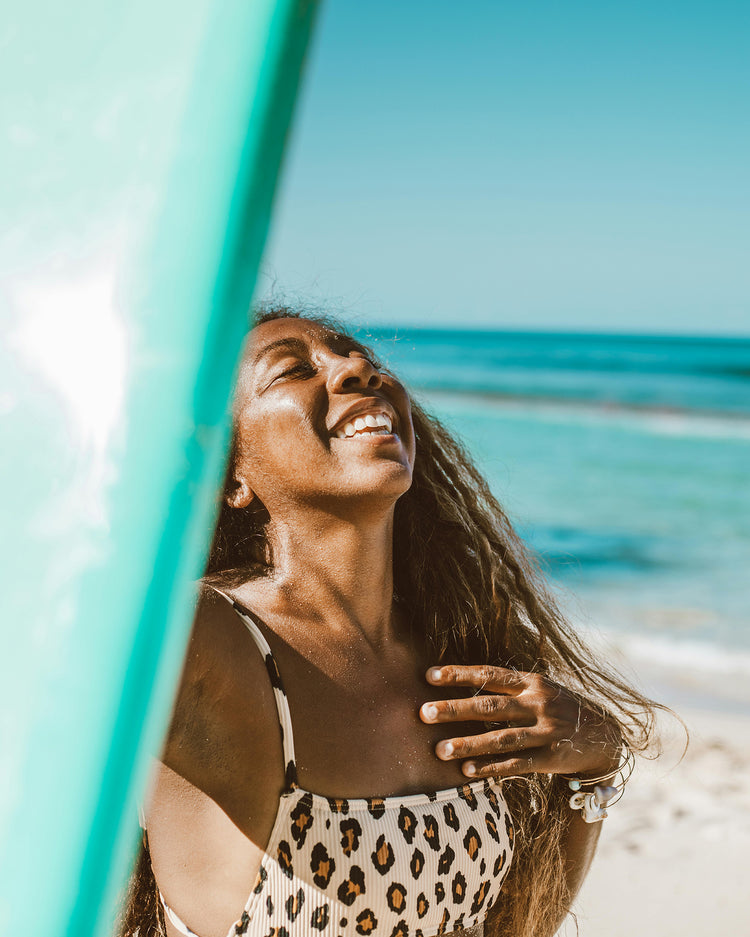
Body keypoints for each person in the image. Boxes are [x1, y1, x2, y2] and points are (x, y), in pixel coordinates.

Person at [120, 308, 658, 937]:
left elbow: (516, 926)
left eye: (364, 359)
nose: (357, 369)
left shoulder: (464, 646)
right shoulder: (201, 635)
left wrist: (595, 761)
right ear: (231, 474)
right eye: (293, 370)